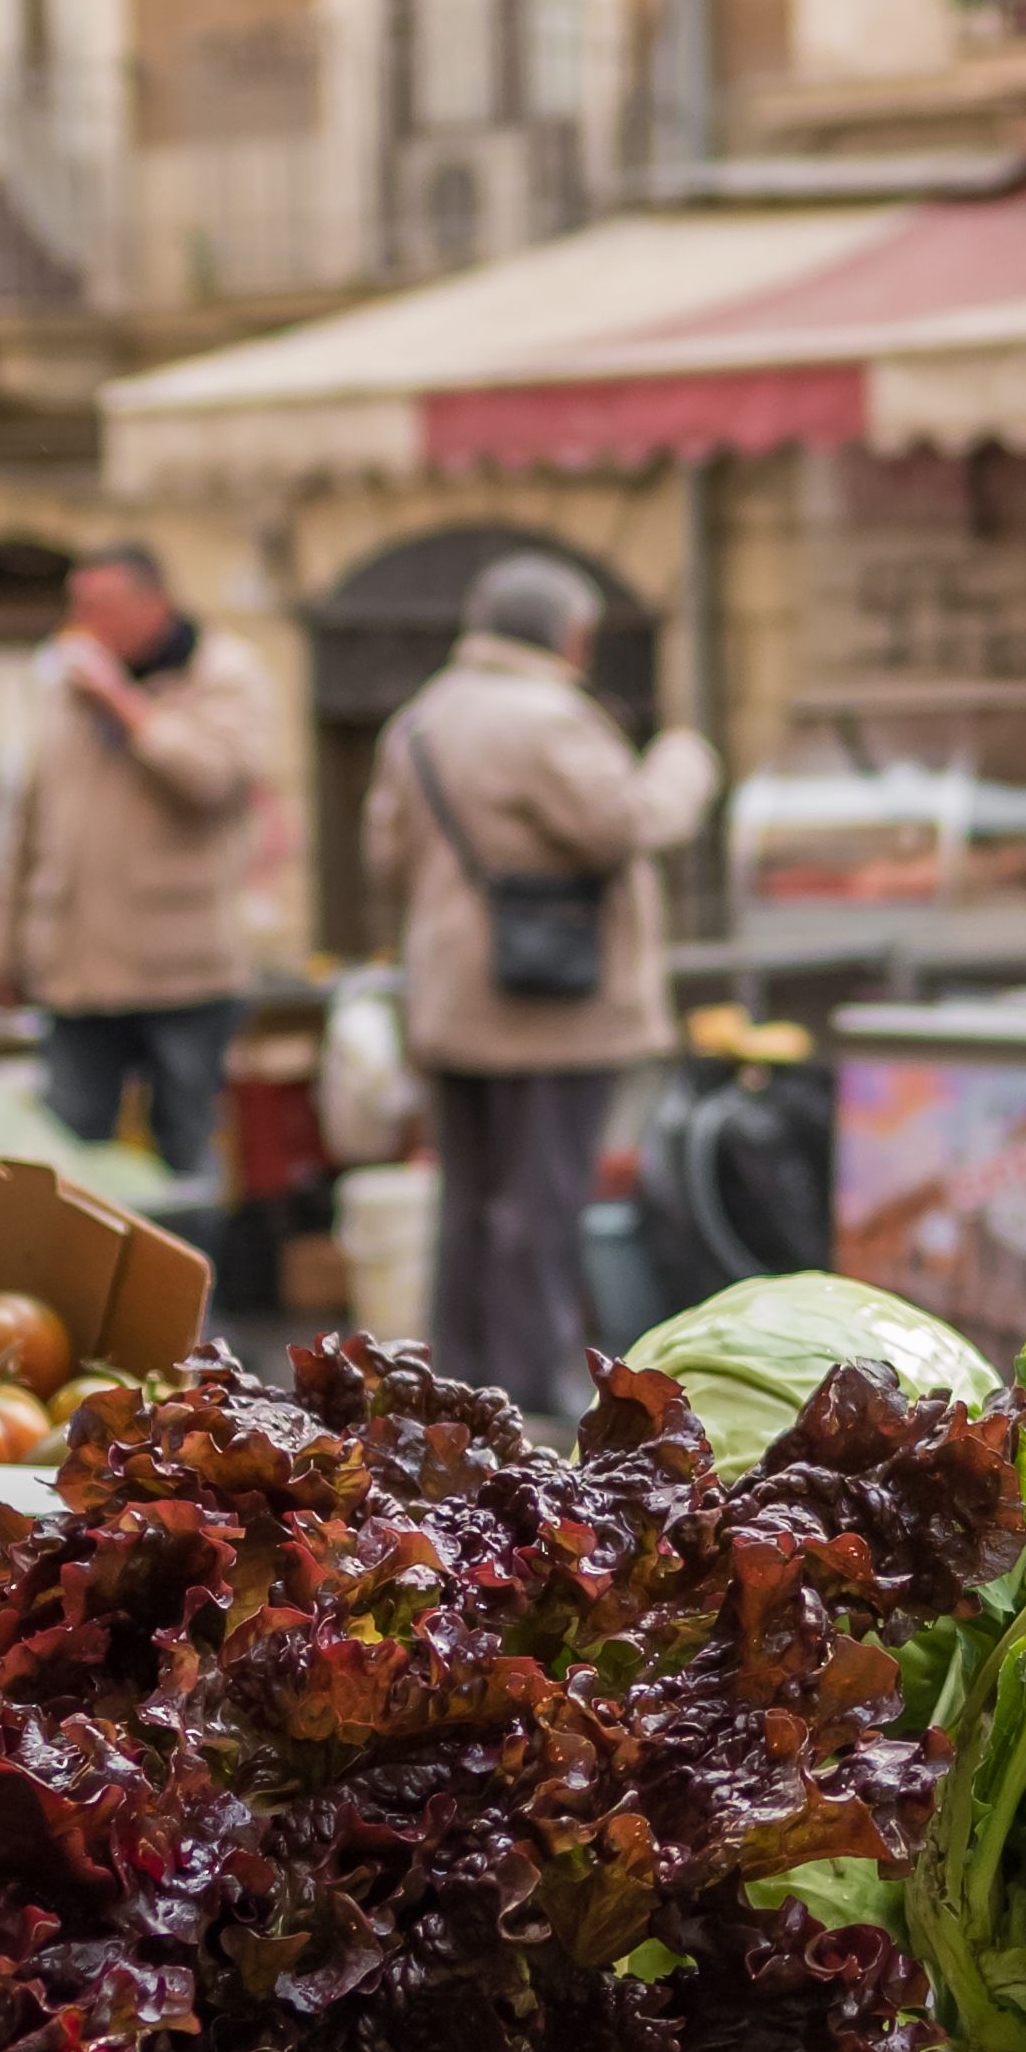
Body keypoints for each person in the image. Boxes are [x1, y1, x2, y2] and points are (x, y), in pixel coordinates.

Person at [363, 550, 715, 1414]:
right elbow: (623, 823)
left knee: (470, 1205)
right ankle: (530, 1388)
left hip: (455, 996)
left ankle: (454, 1387)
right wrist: (684, 763)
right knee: (542, 1206)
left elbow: (383, 854)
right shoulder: (548, 718)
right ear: (572, 634)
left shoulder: (419, 719)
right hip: (553, 1001)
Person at [0, 541, 288, 1191]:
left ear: (155, 604)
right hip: (77, 971)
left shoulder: (226, 676)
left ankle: (193, 1292)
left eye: (101, 604)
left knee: (185, 1152)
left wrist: (124, 704)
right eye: (77, 604)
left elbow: (214, 780)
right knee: (67, 1155)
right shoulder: (65, 689)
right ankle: (85, 1295)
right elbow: (27, 824)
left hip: (183, 972)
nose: (82, 620)